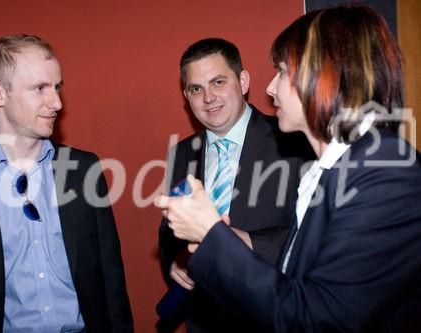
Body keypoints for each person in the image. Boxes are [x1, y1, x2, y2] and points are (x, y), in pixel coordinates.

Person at [155, 5, 421, 333]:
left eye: (282, 72)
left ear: (323, 76)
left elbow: (316, 318)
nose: (271, 88)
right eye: (196, 88)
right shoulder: (330, 166)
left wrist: (213, 238)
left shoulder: (385, 171)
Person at [0, 35, 133, 332]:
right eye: (40, 89)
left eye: (57, 87)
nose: (57, 102)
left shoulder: (84, 169)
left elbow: (111, 277)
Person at [158, 38, 310, 332]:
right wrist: (175, 262)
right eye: (195, 88)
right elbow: (168, 231)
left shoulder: (293, 144)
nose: (208, 98)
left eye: (217, 82)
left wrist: (244, 241)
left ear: (242, 81)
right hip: (204, 319)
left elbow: (313, 234)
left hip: (271, 316)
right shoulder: (180, 153)